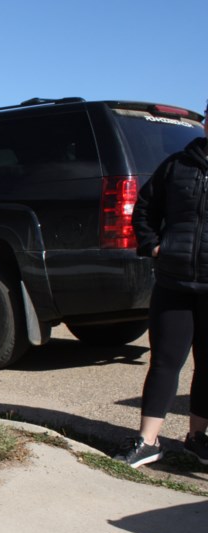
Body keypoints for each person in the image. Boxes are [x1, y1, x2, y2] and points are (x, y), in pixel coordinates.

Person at [113, 102, 208, 469]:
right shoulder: (177, 165)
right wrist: (154, 245)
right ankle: (147, 441)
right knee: (166, 361)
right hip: (175, 281)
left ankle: (198, 438)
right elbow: (145, 209)